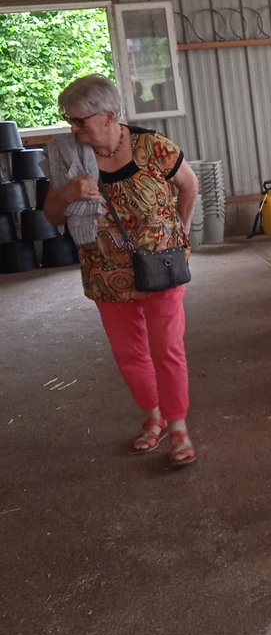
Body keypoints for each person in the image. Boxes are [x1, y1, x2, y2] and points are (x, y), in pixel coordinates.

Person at [43, 75, 200, 468]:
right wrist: (68, 194)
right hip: (105, 274)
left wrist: (180, 234)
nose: (73, 128)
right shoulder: (71, 157)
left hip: (161, 267)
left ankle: (178, 427)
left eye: (80, 120)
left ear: (109, 115)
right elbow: (50, 214)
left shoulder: (153, 146)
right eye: (69, 119)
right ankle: (154, 415)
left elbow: (189, 186)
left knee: (167, 349)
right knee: (130, 354)